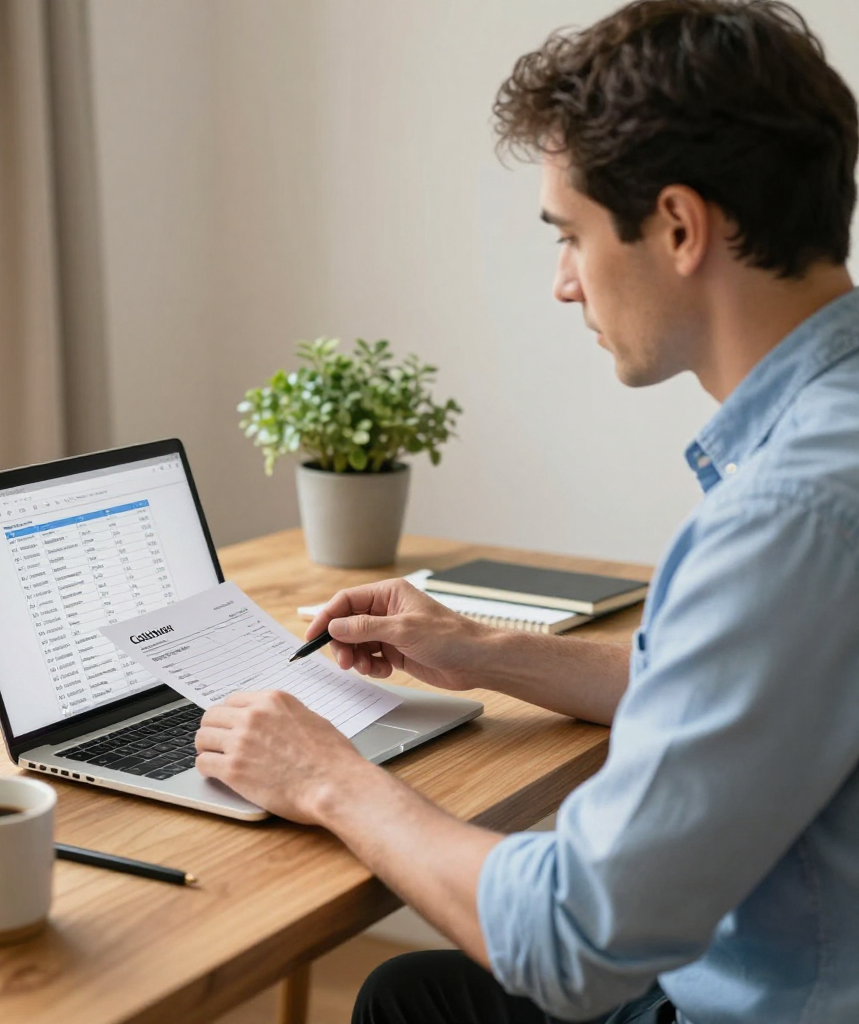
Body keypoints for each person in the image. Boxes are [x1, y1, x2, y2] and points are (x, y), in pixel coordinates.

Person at [194, 1, 859, 1020]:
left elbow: (573, 943)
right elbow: (736, 699)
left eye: (571, 234)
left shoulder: (788, 517)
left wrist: (326, 777)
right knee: (415, 992)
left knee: (411, 1000)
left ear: (679, 226)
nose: (562, 283)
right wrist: (479, 649)